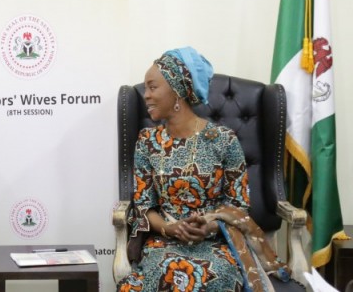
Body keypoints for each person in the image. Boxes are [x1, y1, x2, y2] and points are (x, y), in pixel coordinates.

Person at [117, 47, 288, 292]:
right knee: (169, 269)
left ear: (177, 91)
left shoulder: (223, 140)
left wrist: (208, 226)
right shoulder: (147, 142)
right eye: (145, 89)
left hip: (217, 241)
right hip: (164, 241)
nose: (146, 95)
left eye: (153, 87)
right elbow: (144, 208)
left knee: (216, 274)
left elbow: (238, 205)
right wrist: (170, 228)